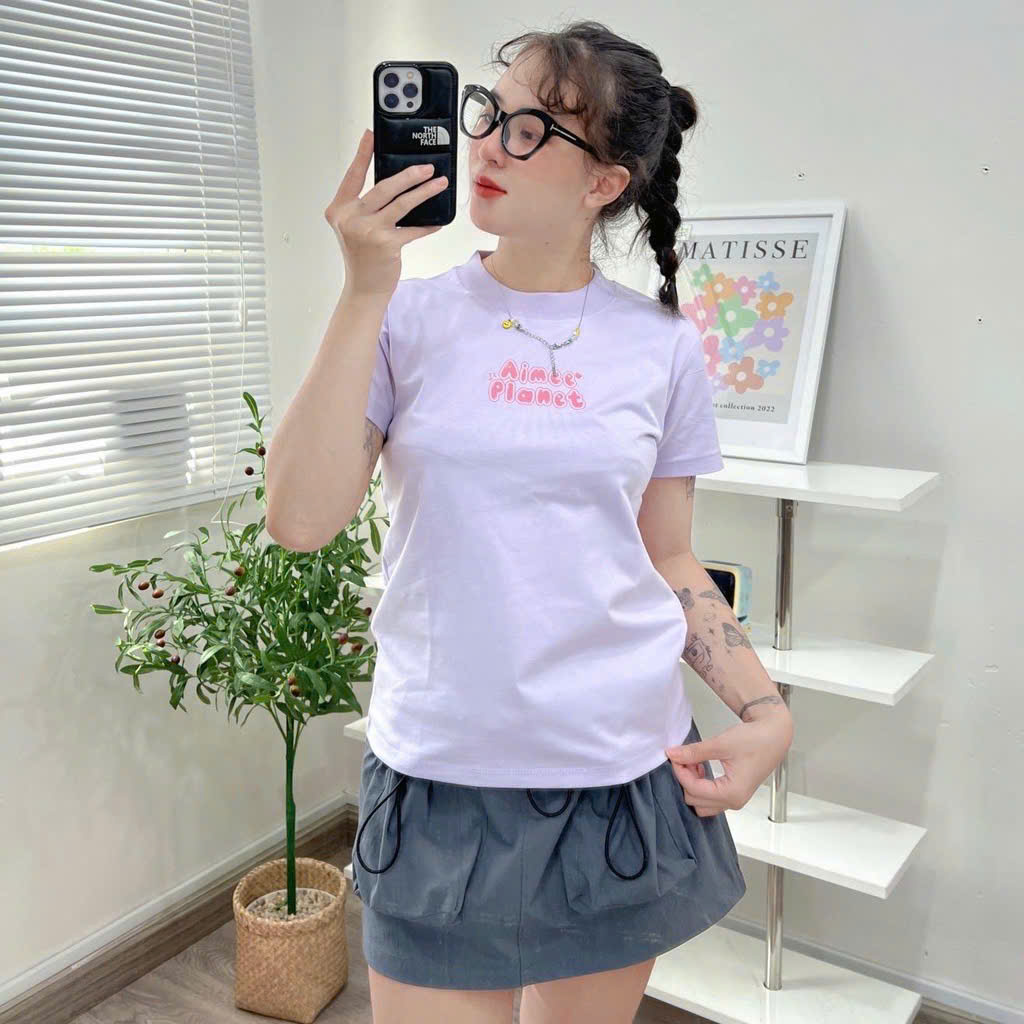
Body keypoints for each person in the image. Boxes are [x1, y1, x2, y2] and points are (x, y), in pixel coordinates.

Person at [268, 18, 793, 1024]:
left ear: (605, 181)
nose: (485, 145)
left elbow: (669, 557)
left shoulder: (660, 347)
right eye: (488, 113)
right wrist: (366, 287)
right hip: (439, 771)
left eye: (530, 129)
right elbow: (298, 520)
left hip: (617, 772)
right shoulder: (404, 317)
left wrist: (766, 713)